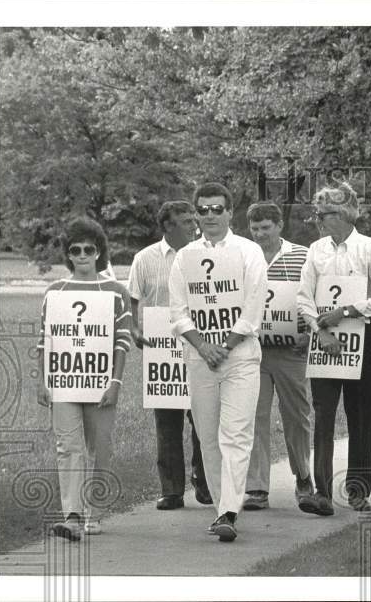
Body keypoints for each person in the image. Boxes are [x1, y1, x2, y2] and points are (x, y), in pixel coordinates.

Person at [168, 182, 268, 542]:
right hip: (200, 358)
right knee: (208, 437)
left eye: (217, 209)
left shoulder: (249, 251)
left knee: (236, 434)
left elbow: (254, 306)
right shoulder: (185, 257)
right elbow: (178, 312)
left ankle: (229, 511)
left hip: (240, 356)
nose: (210, 215)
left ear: (230, 212)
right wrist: (203, 346)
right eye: (204, 209)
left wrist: (224, 345)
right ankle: (220, 510)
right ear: (196, 213)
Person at [295, 183, 371, 515]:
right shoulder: (315, 250)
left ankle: (357, 490)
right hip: (324, 342)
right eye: (317, 214)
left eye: (325, 214)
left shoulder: (370, 249)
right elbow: (303, 297)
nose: (319, 220)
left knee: (360, 416)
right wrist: (319, 329)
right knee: (323, 416)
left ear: (345, 212)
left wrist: (346, 311)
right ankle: (322, 492)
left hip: (361, 340)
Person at [36, 218, 132, 540]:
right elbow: (44, 340)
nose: (81, 255)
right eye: (74, 250)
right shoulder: (55, 292)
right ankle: (72, 515)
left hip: (101, 382)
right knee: (68, 446)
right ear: (68, 254)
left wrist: (115, 383)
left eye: (88, 249)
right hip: (64, 380)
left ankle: (95, 511)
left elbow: (122, 342)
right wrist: (42, 380)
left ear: (99, 252)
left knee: (99, 447)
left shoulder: (116, 292)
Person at [127, 201, 211, 511]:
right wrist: (135, 330)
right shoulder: (145, 259)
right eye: (186, 221)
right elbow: (131, 303)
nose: (194, 225)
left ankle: (204, 483)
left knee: (204, 417)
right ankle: (172, 490)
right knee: (167, 423)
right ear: (167, 226)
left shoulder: (206, 254)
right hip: (162, 350)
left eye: (194, 220)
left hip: (200, 346)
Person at [242, 202, 315, 512]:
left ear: (279, 225)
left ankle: (303, 477)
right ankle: (257, 487)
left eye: (265, 228)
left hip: (291, 349)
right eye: (255, 229)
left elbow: (315, 295)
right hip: (252, 349)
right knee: (253, 417)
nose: (260, 234)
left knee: (297, 415)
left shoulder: (302, 255)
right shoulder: (243, 255)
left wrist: (309, 334)